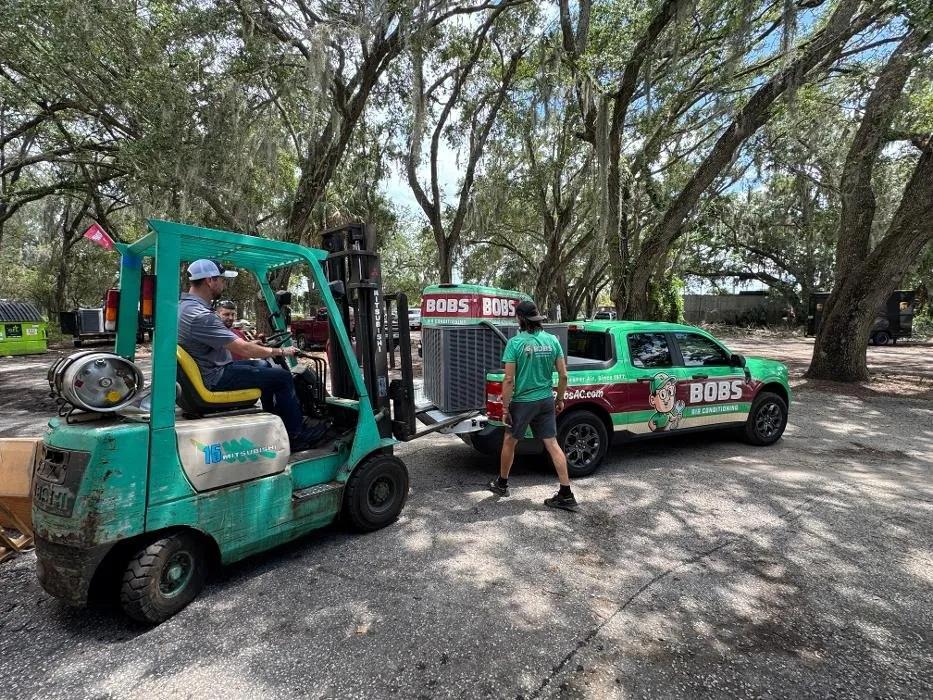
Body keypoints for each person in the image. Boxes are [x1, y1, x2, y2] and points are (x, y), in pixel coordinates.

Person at [178, 259, 317, 452]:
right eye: (222, 280)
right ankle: (296, 436)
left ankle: (274, 421)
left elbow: (228, 345)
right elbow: (243, 350)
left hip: (208, 369)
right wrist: (281, 351)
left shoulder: (184, 307)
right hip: (214, 377)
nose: (224, 284)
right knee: (283, 377)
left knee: (265, 366)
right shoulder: (201, 315)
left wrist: (253, 345)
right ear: (210, 280)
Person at [487, 300, 578, 511]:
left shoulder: (516, 343)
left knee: (510, 440)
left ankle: (501, 484)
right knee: (552, 443)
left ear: (520, 318)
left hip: (523, 402)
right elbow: (563, 375)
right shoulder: (552, 341)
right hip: (546, 399)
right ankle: (566, 492)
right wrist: (559, 399)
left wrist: (505, 408)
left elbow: (508, 380)